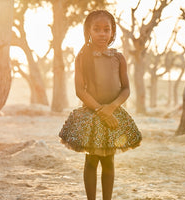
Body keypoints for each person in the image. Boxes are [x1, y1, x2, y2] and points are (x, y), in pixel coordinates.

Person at [59, 10, 142, 200]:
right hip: (92, 116)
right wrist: (99, 110)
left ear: (112, 32)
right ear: (88, 31)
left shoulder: (118, 58)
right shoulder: (83, 57)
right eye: (97, 29)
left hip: (113, 116)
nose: (102, 34)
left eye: (106, 29)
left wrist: (111, 108)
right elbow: (80, 90)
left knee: (109, 161)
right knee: (91, 160)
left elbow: (126, 89)